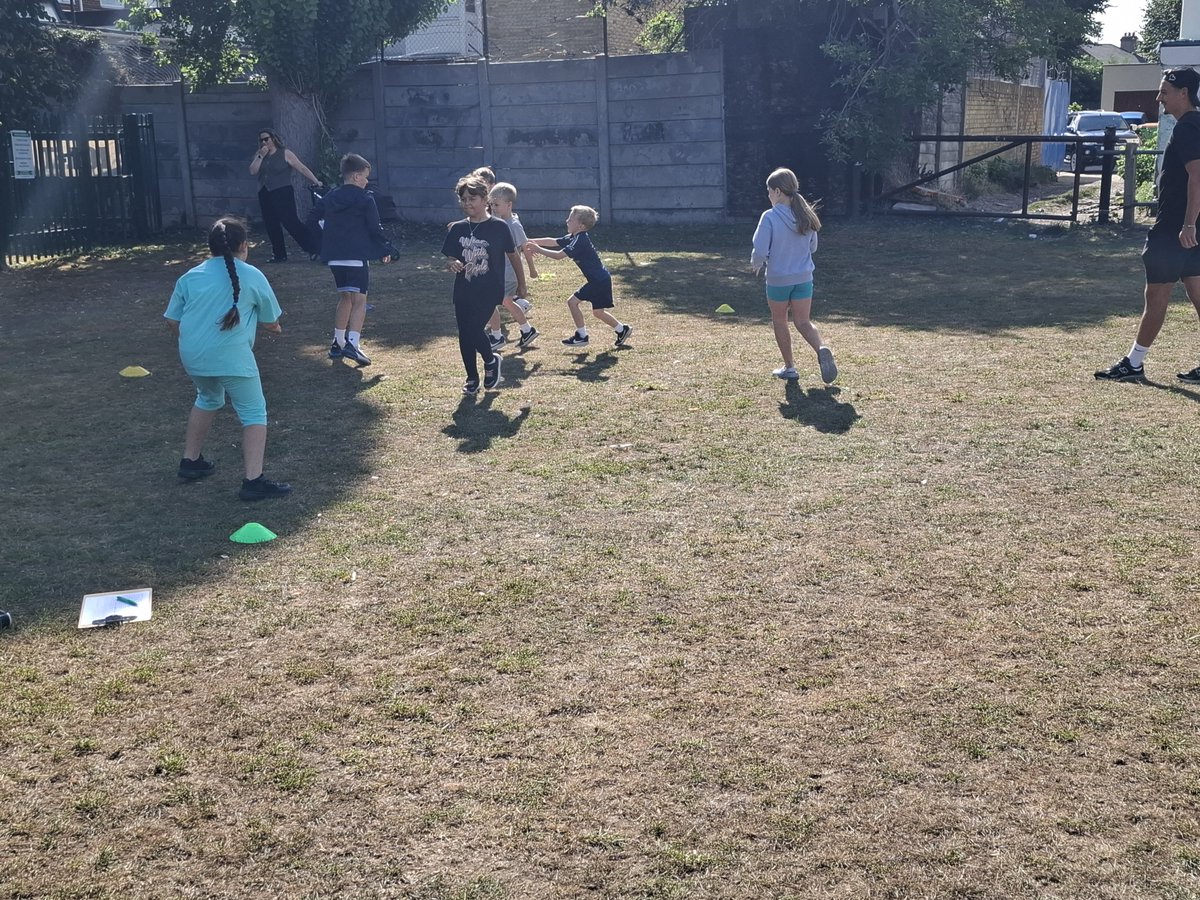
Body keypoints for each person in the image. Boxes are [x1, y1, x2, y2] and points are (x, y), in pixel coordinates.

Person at [165, 218, 291, 501]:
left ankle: (190, 461)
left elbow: (172, 320)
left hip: (193, 356)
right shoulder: (252, 275)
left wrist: (195, 340)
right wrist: (275, 328)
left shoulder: (190, 276)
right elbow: (271, 322)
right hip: (232, 356)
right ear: (244, 245)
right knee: (254, 413)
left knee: (208, 398)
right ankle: (253, 480)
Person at [1096, 67, 1200, 383]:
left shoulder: (1187, 128)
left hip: (1175, 231)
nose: (1159, 98)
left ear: (1184, 93)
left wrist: (1188, 224)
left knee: (1155, 297)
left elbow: (1197, 175)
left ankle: (1134, 364)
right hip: (1191, 232)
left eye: (1164, 92)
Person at [306, 153, 398, 368]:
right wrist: (386, 249)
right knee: (360, 301)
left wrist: (325, 241)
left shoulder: (330, 196)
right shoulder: (365, 198)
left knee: (345, 297)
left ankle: (337, 342)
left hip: (334, 257)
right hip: (356, 256)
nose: (367, 181)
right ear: (356, 176)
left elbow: (312, 219)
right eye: (365, 176)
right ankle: (353, 344)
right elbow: (374, 228)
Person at [750, 167, 837, 383]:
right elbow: (812, 247)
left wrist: (757, 263)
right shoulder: (806, 215)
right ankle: (821, 348)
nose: (768, 196)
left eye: (769, 191)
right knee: (803, 321)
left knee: (780, 321)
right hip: (804, 278)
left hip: (778, 280)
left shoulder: (769, 217)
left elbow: (760, 249)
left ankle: (790, 367)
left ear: (778, 191)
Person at [441, 175, 524, 394]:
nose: (467, 203)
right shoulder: (458, 228)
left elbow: (514, 256)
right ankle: (472, 377)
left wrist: (522, 284)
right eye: (463, 199)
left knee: (473, 329)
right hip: (464, 290)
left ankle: (489, 360)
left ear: (485, 199)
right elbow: (449, 258)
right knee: (464, 333)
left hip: (489, 289)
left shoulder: (499, 227)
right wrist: (452, 263)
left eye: (472, 198)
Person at [528, 206, 632, 348]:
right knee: (598, 312)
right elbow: (553, 241)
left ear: (581, 226)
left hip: (598, 281)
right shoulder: (574, 237)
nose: (567, 221)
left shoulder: (580, 240)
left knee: (572, 302)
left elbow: (559, 256)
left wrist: (537, 249)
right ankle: (622, 329)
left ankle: (582, 336)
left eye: (571, 219)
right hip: (600, 279)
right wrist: (528, 240)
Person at [249, 129, 322, 263]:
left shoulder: (285, 153)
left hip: (282, 191)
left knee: (290, 221)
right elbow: (253, 171)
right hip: (265, 192)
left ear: (273, 138)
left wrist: (315, 181)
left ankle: (314, 248)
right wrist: (260, 156)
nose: (264, 142)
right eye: (261, 140)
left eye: (266, 139)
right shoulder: (259, 155)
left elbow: (301, 168)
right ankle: (279, 254)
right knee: (271, 223)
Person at [484, 183, 536, 350]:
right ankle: (527, 330)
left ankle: (497, 336)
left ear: (509, 205)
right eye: (491, 204)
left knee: (489, 301)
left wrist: (531, 271)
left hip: (508, 273)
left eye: (496, 205)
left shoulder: (513, 225)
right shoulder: (497, 223)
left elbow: (525, 248)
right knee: (506, 302)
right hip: (499, 272)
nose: (493, 208)